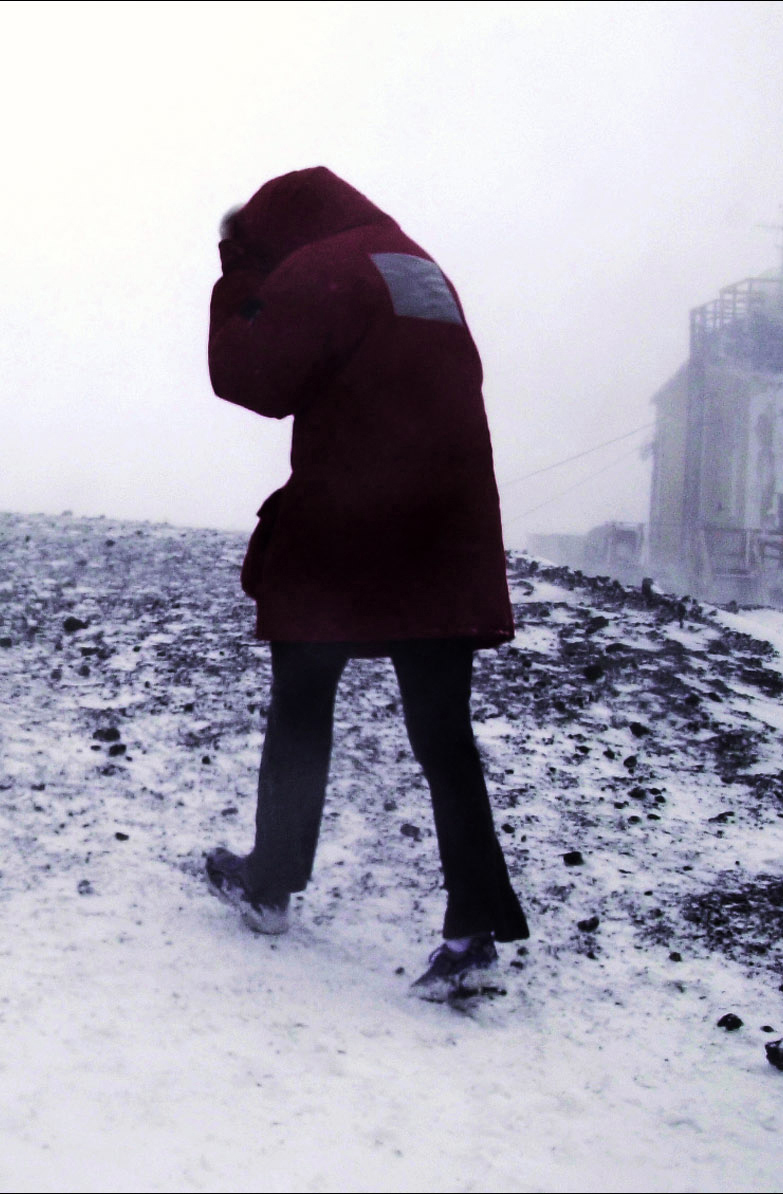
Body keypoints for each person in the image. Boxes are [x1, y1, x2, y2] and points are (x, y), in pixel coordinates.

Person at [201, 166, 528, 1001]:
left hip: (353, 525)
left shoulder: (319, 268)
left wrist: (235, 276)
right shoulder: (419, 265)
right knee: (444, 739)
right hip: (446, 531)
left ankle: (271, 883)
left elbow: (250, 378)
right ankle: (470, 934)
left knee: (304, 702)